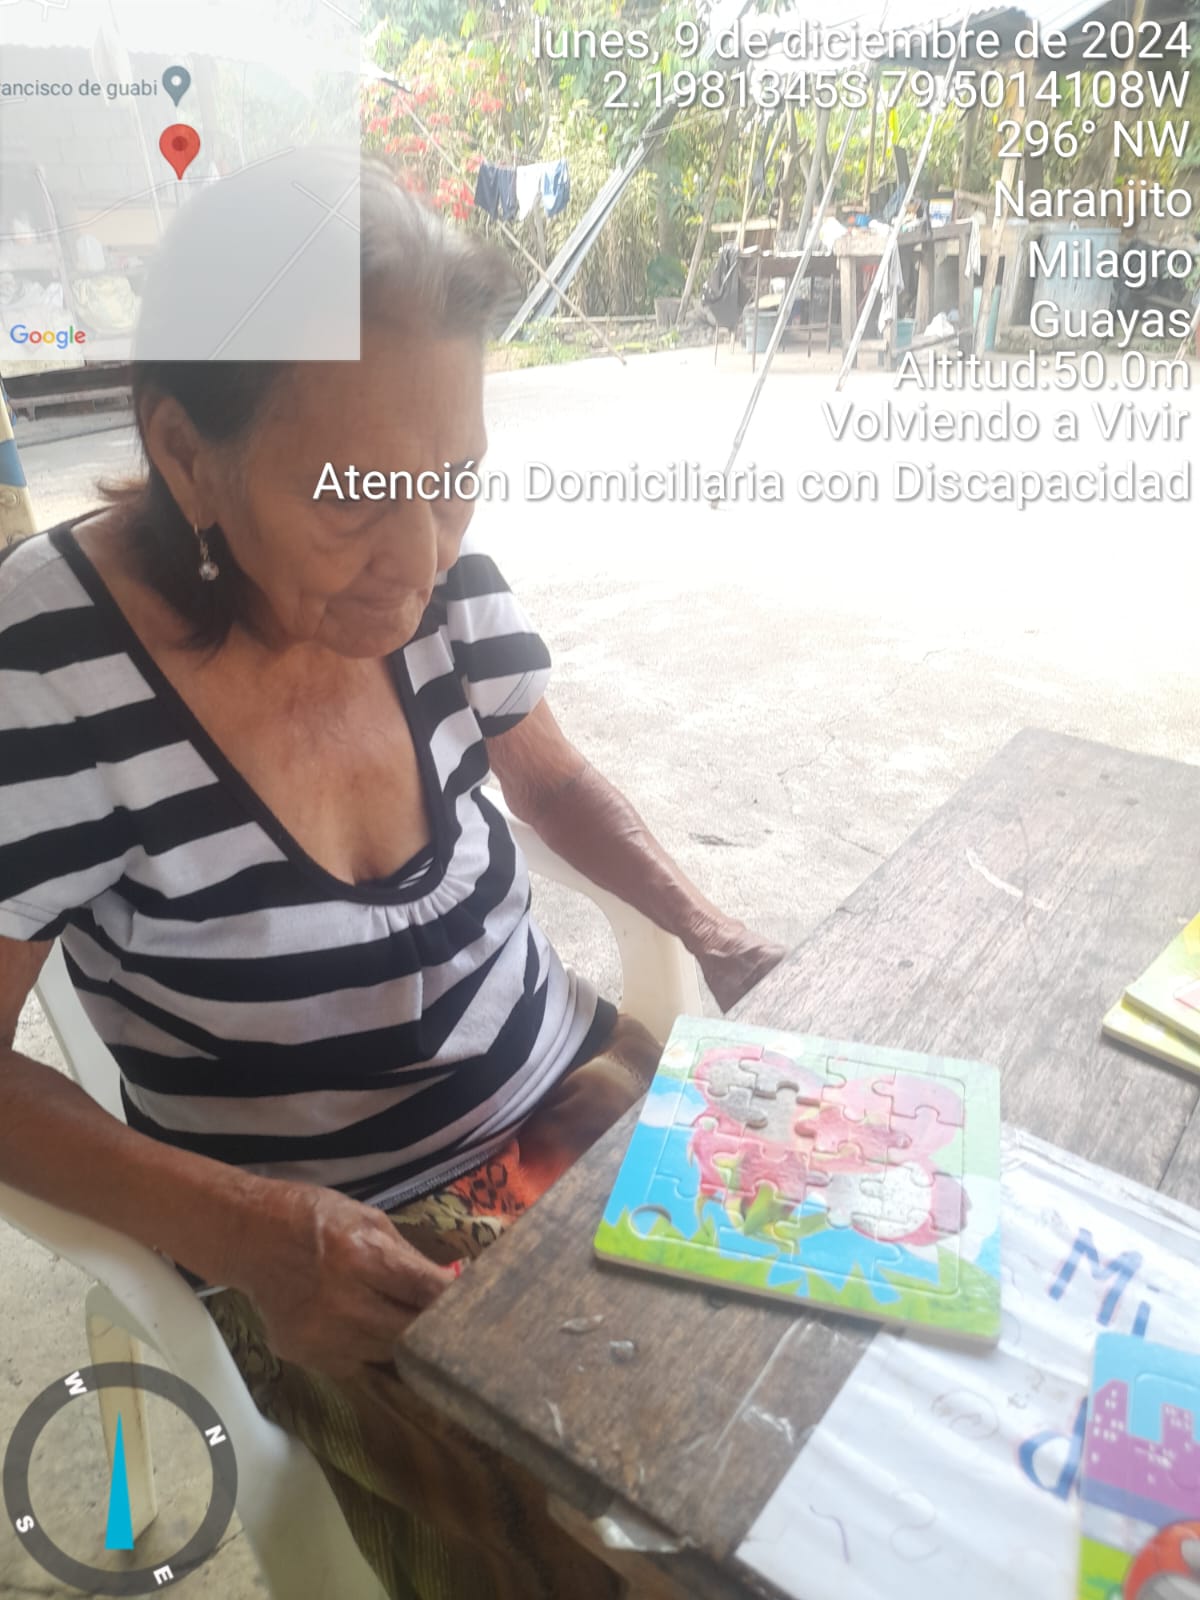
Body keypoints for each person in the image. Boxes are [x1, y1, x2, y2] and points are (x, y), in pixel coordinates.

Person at [0, 152, 783, 1599]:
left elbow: (552, 777)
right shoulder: (45, 672)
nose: (420, 562)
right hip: (339, 1256)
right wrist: (252, 1236)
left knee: (840, 1371)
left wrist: (711, 929)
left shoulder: (438, 579)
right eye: (356, 497)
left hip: (584, 1098)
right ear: (186, 453)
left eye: (455, 482)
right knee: (639, 1543)